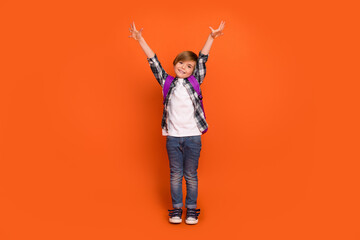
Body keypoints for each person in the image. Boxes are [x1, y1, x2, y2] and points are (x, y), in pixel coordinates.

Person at [128, 21, 225, 224]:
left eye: (189, 66)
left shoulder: (195, 81)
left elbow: (202, 60)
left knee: (190, 175)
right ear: (175, 63)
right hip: (173, 137)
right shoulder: (167, 82)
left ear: (193, 70)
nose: (184, 67)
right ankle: (176, 210)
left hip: (192, 137)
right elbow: (152, 61)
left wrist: (211, 38)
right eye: (181, 63)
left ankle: (191, 210)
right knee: (175, 175)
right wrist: (140, 39)